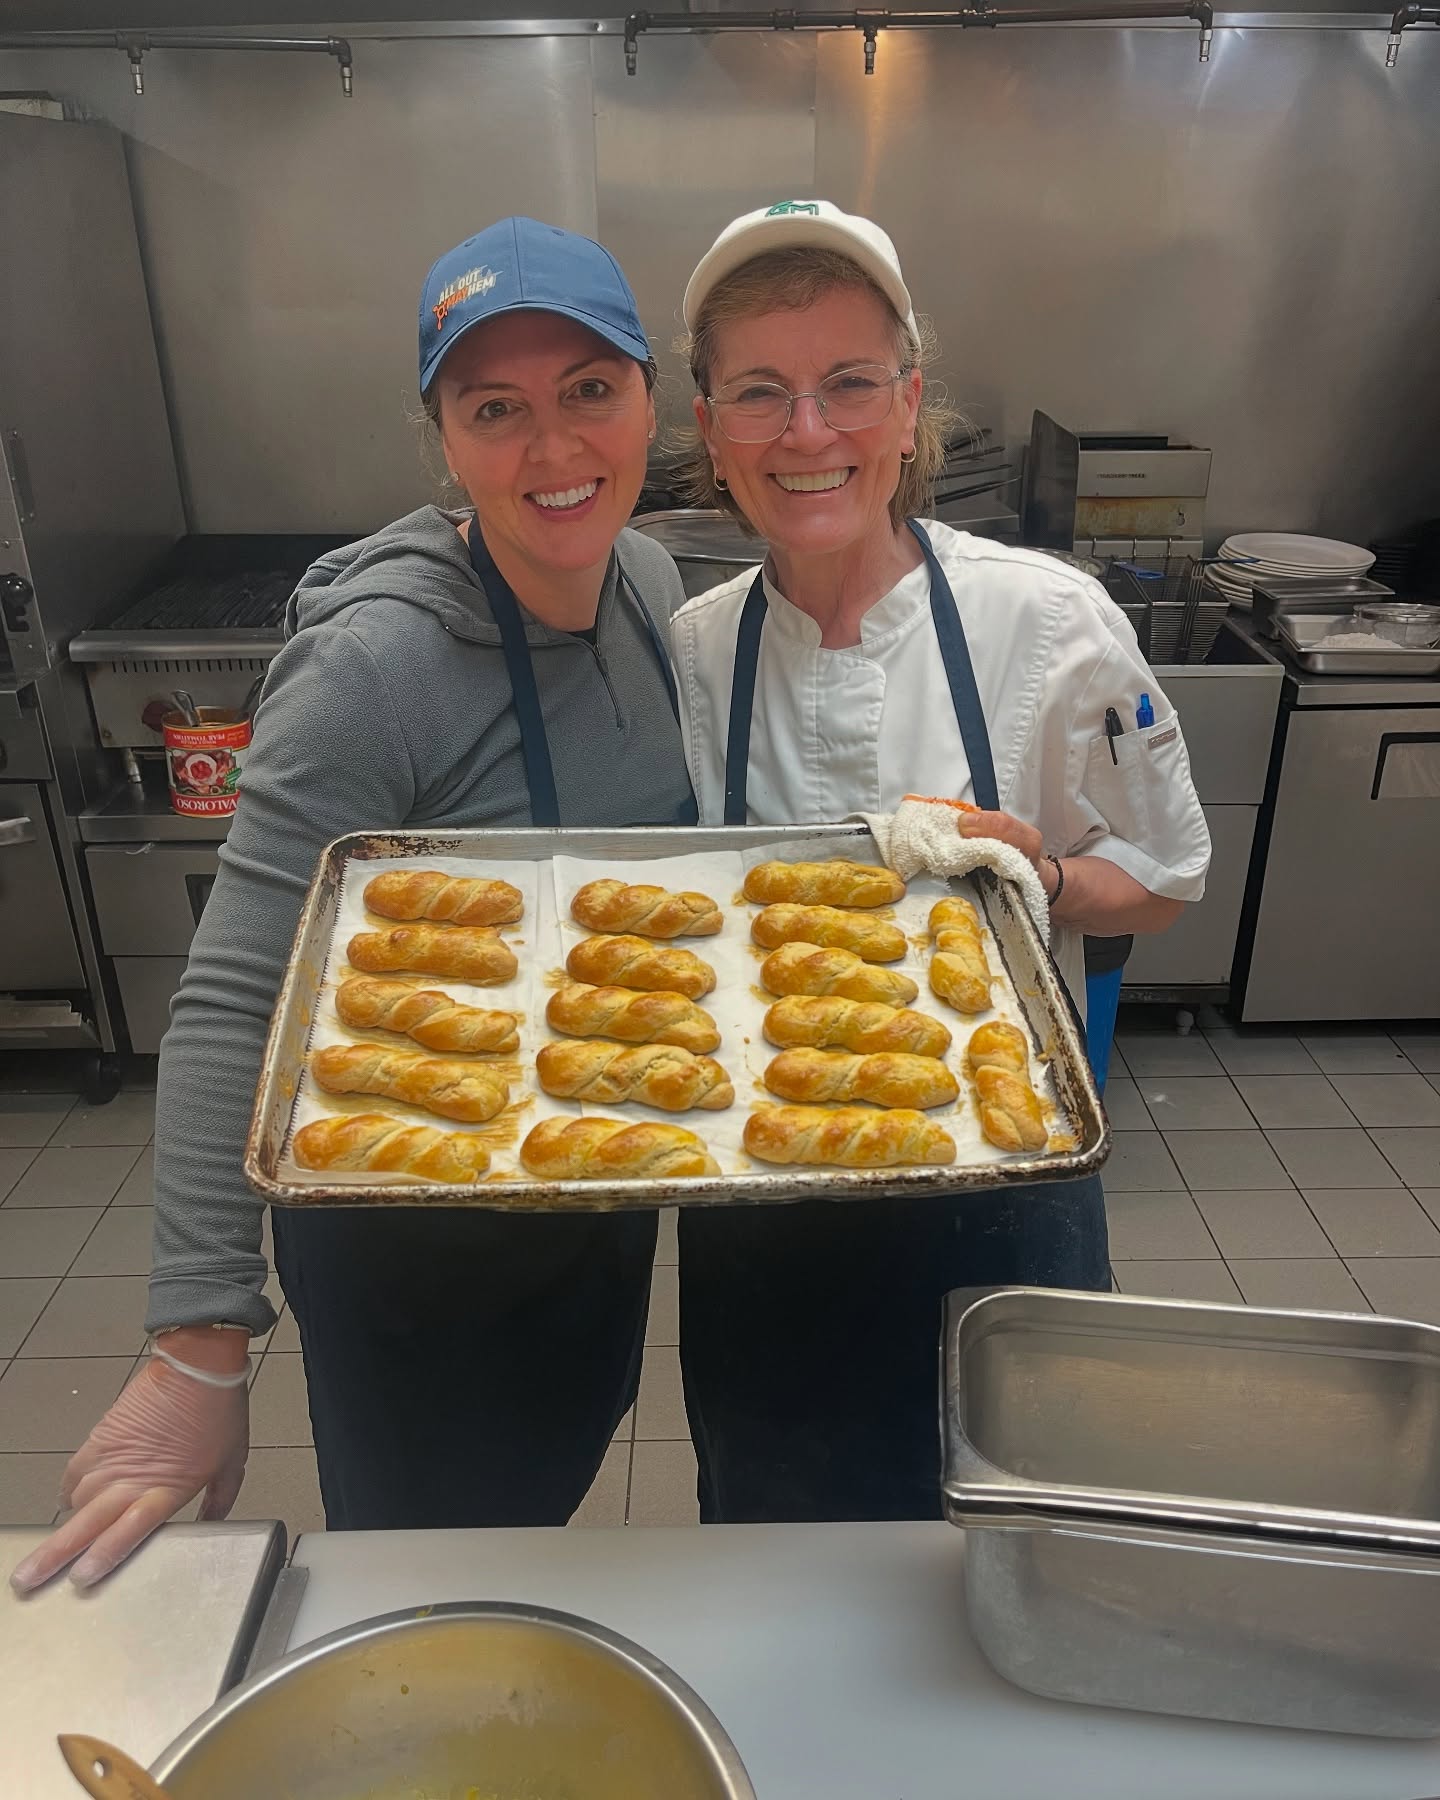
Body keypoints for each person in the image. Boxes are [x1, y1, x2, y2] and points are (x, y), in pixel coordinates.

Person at [11, 217, 696, 1592]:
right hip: (420, 1252)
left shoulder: (649, 580)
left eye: (589, 391)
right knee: (431, 1564)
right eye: (495, 409)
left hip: (586, 1193)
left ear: (646, 400)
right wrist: (197, 1339)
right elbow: (229, 997)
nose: (554, 451)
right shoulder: (374, 671)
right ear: (441, 437)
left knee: (555, 1475)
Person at [666, 200, 1212, 1522]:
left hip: (999, 1186)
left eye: (850, 383)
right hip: (768, 1205)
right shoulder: (693, 650)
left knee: (1021, 1535)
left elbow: (1168, 874)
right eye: (762, 393)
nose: (809, 433)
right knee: (775, 1542)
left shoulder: (1047, 623)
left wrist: (1045, 876)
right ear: (712, 433)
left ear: (911, 407)